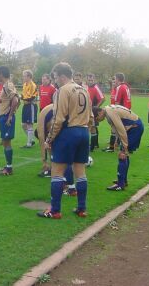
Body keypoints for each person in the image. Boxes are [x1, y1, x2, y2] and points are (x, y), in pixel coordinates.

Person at [37, 62, 91, 219]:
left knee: (57, 172)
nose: (55, 81)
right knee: (80, 171)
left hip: (69, 133)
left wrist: (49, 139)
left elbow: (58, 118)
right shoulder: (84, 90)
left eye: (55, 77)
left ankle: (55, 211)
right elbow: (90, 116)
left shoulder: (63, 90)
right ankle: (81, 208)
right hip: (83, 132)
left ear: (62, 76)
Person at [93, 104, 144, 191]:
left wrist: (124, 146)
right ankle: (123, 180)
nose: (98, 121)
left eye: (96, 118)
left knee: (122, 154)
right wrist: (117, 140)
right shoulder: (108, 110)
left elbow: (121, 129)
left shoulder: (110, 113)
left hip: (134, 128)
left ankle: (120, 185)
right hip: (134, 127)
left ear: (99, 112)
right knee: (124, 155)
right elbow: (117, 127)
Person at [35, 104, 76, 195]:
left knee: (62, 159)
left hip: (62, 128)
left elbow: (42, 139)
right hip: (76, 127)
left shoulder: (42, 123)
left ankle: (68, 187)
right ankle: (70, 186)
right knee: (65, 157)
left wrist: (44, 162)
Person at [0, 66, 20, 175]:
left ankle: (9, 168)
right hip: (3, 116)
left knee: (7, 142)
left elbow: (15, 100)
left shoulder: (7, 85)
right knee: (5, 142)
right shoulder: (6, 85)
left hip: (6, 117)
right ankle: (8, 166)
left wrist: (10, 116)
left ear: (1, 74)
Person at [87, 73, 105, 151]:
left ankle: (92, 146)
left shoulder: (95, 87)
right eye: (89, 80)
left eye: (91, 80)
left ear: (94, 80)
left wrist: (96, 107)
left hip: (93, 111)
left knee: (92, 127)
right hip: (86, 110)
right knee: (91, 127)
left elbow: (103, 99)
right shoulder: (86, 87)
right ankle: (95, 144)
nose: (90, 81)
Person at [21, 70, 38, 148]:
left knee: (29, 124)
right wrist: (21, 98)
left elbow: (31, 97)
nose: (23, 77)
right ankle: (31, 140)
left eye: (24, 76)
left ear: (29, 76)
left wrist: (24, 99)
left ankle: (29, 144)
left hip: (31, 106)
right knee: (23, 125)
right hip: (25, 106)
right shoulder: (25, 84)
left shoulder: (32, 85)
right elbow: (23, 95)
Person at [102, 76, 118, 152]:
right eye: (112, 82)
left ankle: (112, 146)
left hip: (116, 112)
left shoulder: (118, 90)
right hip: (112, 111)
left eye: (115, 82)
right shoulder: (113, 90)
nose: (113, 83)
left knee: (114, 128)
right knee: (113, 127)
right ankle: (115, 142)